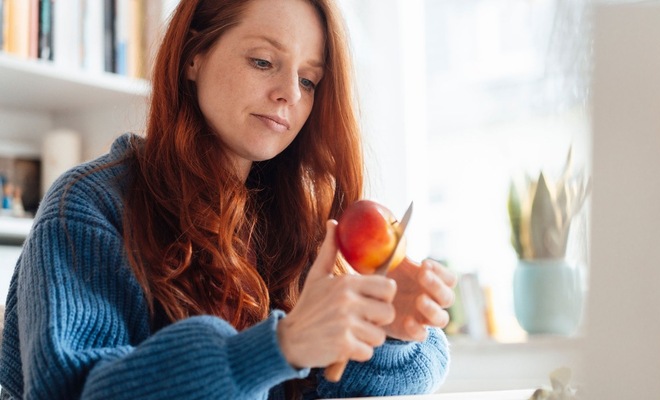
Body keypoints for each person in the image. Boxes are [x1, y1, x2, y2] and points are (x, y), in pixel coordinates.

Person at [0, 0, 457, 399]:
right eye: (262, 61)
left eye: (309, 80)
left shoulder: (297, 221)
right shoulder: (89, 205)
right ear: (193, 55)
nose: (289, 93)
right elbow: (73, 391)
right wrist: (279, 346)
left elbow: (336, 382)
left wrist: (387, 332)